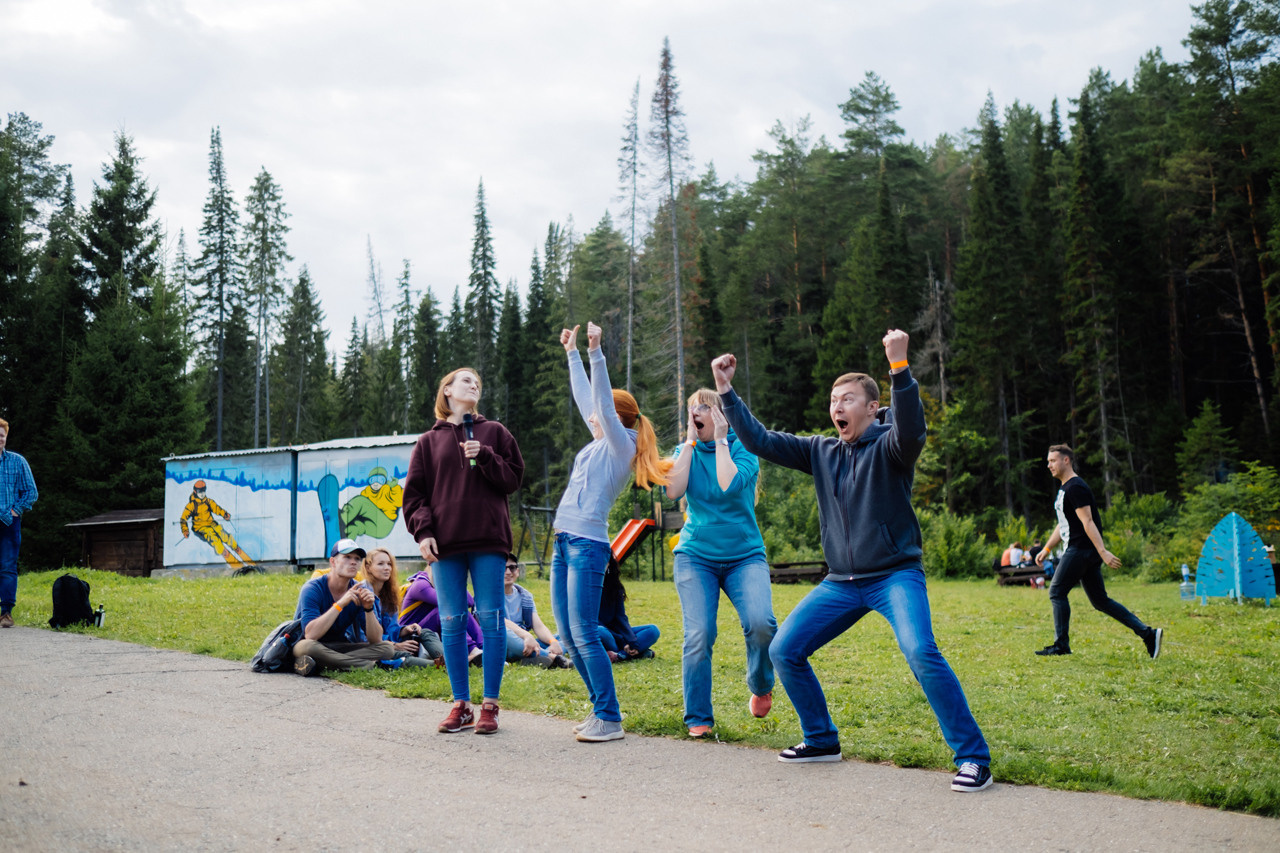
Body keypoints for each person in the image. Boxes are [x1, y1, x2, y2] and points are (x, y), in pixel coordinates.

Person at [712, 330, 993, 793]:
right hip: (841, 582)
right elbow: (760, 440)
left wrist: (899, 368)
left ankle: (973, 758)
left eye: (847, 399)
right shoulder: (821, 451)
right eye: (832, 400)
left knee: (921, 650)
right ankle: (821, 739)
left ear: (870, 407)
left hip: (895, 574)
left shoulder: (892, 448)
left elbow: (912, 428)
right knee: (784, 650)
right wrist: (726, 391)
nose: (837, 407)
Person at [552, 321, 671, 743]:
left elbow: (598, 401)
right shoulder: (600, 440)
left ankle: (610, 716)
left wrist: (596, 351)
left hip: (587, 545)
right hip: (564, 542)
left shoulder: (620, 445)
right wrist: (571, 354)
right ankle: (599, 708)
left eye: (599, 414)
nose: (590, 416)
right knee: (567, 635)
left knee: (583, 630)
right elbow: (589, 398)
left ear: (614, 418)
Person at [403, 367, 524, 735]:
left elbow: (513, 479)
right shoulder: (428, 441)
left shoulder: (495, 433)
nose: (473, 385)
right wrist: (423, 533)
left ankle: (489, 705)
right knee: (453, 621)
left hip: (488, 540)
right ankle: (461, 704)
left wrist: (485, 455)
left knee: (490, 617)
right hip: (446, 545)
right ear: (448, 391)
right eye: (466, 380)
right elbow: (415, 496)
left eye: (478, 383)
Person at [664, 389, 777, 737]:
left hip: (744, 556)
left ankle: (760, 685)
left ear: (722, 415)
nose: (698, 414)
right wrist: (687, 443)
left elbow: (727, 484)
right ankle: (698, 715)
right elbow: (673, 491)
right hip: (696, 556)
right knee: (699, 633)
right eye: (693, 410)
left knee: (761, 624)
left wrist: (723, 440)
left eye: (705, 408)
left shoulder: (745, 449)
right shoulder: (685, 452)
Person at [1034, 445, 1162, 660]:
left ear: (1066, 461)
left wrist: (1102, 551)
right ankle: (1148, 634)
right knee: (1100, 601)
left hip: (1080, 550)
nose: (1049, 465)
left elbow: (1088, 521)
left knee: (1056, 592)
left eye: (1053, 461)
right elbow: (1063, 524)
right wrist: (1047, 548)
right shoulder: (1065, 489)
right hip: (1081, 549)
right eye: (1048, 461)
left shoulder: (1076, 487)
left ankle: (1061, 645)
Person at [292, 539, 395, 674]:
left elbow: (376, 640)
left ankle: (319, 663)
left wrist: (368, 608)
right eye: (347, 557)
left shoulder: (359, 589)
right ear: (333, 562)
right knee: (305, 648)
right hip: (311, 644)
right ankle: (369, 665)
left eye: (357, 558)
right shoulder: (312, 588)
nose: (353, 562)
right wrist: (340, 604)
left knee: (387, 649)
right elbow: (311, 634)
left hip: (338, 646)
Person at [362, 547, 442, 667]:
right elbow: (363, 636)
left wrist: (405, 629)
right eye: (380, 564)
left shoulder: (389, 594)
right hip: (374, 648)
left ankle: (444, 659)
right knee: (403, 655)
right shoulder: (363, 593)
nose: (387, 568)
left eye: (389, 564)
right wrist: (394, 645)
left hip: (391, 642)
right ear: (368, 567)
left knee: (425, 632)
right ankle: (437, 665)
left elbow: (392, 628)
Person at [399, 568, 484, 666]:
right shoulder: (420, 585)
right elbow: (448, 604)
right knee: (445, 610)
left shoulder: (439, 583)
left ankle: (484, 650)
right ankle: (471, 649)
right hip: (413, 636)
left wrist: (457, 581)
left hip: (431, 631)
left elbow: (469, 602)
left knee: (462, 611)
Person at [0, 418, 38, 629]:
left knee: (7, 567)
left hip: (8, 522)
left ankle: (6, 613)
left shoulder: (17, 461)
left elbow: (31, 492)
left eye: (1, 435)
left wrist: (16, 510)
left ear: (6, 437)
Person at [501, 555, 571, 669]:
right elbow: (500, 622)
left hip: (526, 642)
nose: (508, 572)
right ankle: (553, 657)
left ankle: (537, 657)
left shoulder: (524, 595)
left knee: (566, 636)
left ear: (517, 571)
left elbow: (538, 626)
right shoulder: (489, 596)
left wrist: (552, 641)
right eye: (503, 568)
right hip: (505, 644)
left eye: (512, 568)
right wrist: (526, 635)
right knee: (503, 632)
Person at [596, 555, 660, 664]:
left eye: (605, 562)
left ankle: (620, 655)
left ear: (609, 564)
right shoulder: (585, 587)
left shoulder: (614, 586)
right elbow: (592, 622)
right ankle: (640, 653)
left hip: (617, 634)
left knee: (653, 630)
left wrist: (631, 640)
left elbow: (621, 617)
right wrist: (623, 641)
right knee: (599, 630)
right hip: (603, 635)